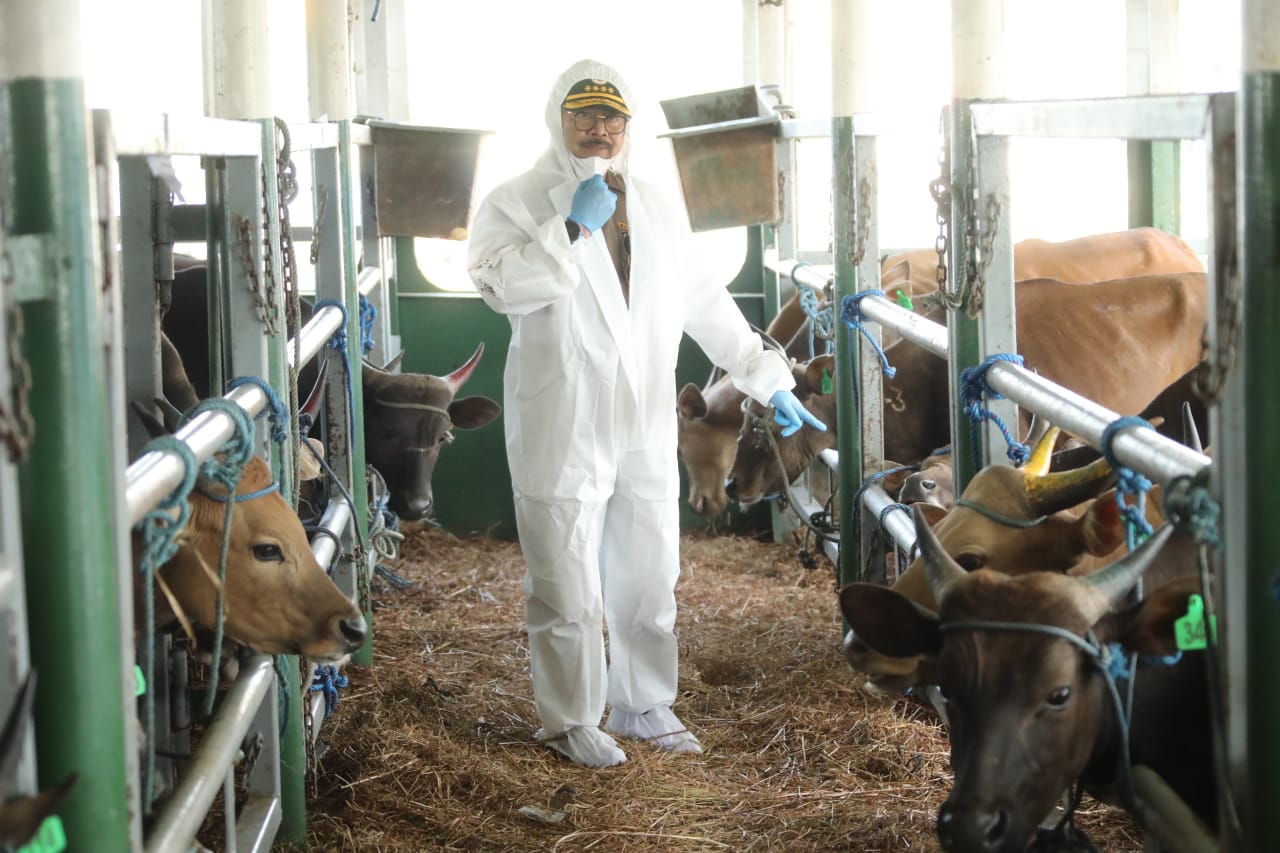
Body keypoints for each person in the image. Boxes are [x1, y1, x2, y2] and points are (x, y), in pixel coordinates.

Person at [467, 58, 826, 768]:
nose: (597, 129)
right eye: (583, 116)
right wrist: (567, 231)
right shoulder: (518, 200)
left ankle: (643, 703)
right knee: (566, 578)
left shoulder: (658, 205)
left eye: (611, 117)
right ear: (557, 119)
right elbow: (495, 284)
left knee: (649, 570)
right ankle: (571, 720)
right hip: (562, 421)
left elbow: (704, 301)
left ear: (629, 126)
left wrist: (767, 377)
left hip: (641, 418)